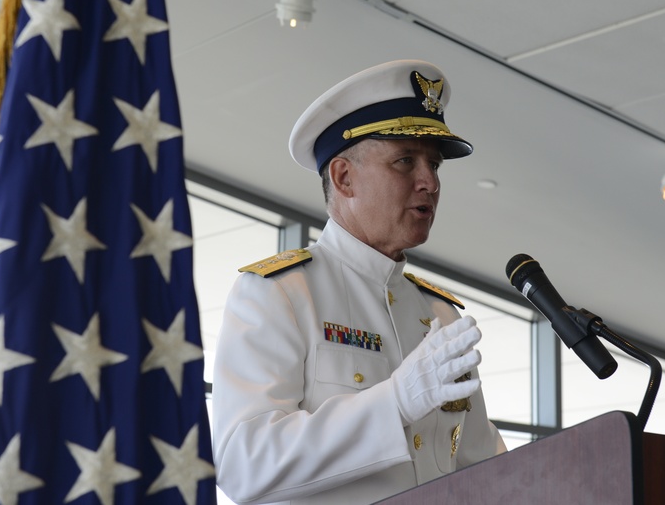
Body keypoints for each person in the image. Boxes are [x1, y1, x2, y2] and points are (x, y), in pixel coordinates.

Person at [212, 59, 507, 505]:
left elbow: (488, 471)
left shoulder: (440, 315)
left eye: (434, 165)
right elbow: (243, 463)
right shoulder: (280, 293)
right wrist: (393, 406)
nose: (429, 182)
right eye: (405, 161)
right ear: (343, 177)